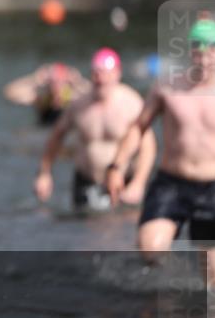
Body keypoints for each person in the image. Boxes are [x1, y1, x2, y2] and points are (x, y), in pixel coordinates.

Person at [107, 18, 215, 286]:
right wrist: (116, 166)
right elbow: (138, 127)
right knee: (151, 248)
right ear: (190, 50)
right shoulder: (168, 88)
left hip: (213, 190)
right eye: (197, 46)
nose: (204, 54)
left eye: (211, 47)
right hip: (171, 183)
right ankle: (172, 287)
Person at [34, 48, 156, 212]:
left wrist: (139, 183)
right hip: (86, 181)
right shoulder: (78, 105)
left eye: (106, 73)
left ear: (117, 74)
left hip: (123, 180)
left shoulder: (131, 104)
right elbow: (56, 136)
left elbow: (148, 146)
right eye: (97, 73)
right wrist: (44, 173)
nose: (101, 78)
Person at [3, 62, 90, 125]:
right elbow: (9, 92)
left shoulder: (72, 98)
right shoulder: (41, 98)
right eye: (52, 82)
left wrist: (78, 81)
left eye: (59, 81)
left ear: (66, 82)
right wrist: (34, 79)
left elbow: (93, 94)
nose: (56, 86)